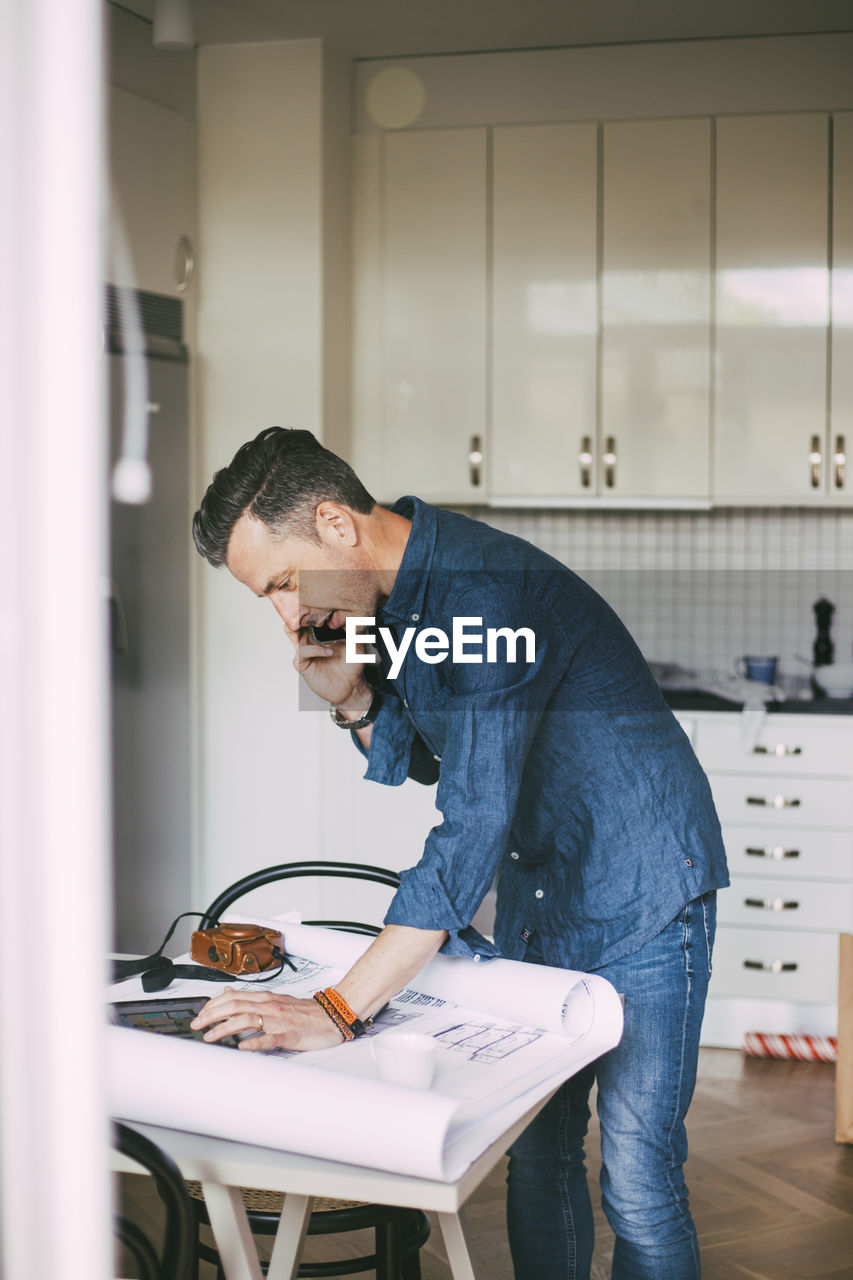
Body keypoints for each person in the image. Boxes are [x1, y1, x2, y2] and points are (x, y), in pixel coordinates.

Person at [190, 426, 728, 1279]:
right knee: (541, 1155)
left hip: (645, 883)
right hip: (544, 888)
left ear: (335, 525)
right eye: (268, 598)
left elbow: (471, 819)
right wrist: (352, 698)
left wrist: (338, 1008)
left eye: (285, 583)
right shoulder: (384, 599)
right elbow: (441, 760)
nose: (289, 616)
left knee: (637, 1176)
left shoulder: (481, 594)